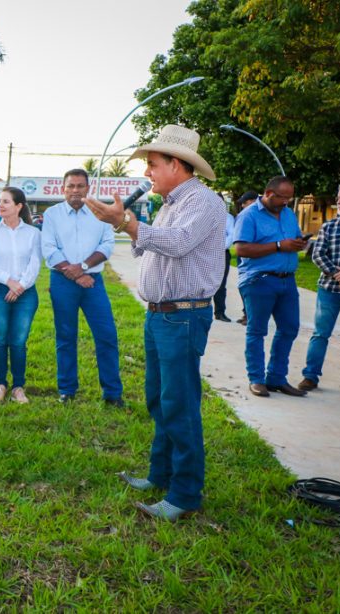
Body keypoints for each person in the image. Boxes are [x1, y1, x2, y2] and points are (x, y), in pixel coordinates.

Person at [85, 124, 226, 522]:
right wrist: (125, 223)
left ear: (177, 165)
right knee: (159, 399)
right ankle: (160, 474)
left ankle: (184, 494)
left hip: (183, 316)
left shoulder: (203, 202)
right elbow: (149, 247)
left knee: (179, 404)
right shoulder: (167, 205)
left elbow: (178, 244)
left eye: (153, 164)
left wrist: (126, 223)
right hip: (160, 315)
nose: (148, 172)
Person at [41, 169, 122, 406]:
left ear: (88, 189)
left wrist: (84, 267)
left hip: (93, 283)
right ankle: (67, 389)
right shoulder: (52, 214)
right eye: (71, 186)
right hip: (63, 282)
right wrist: (75, 275)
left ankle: (112, 393)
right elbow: (49, 248)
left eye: (80, 186)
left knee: (106, 335)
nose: (75, 190)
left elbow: (107, 245)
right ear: (63, 189)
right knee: (66, 336)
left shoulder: (101, 214)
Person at [234, 176, 308, 398]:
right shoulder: (248, 215)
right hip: (259, 280)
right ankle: (256, 379)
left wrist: (299, 243)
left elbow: (292, 239)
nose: (286, 202)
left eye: (289, 198)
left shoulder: (287, 214)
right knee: (257, 330)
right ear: (268, 193)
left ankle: (276, 378)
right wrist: (278, 246)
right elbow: (241, 250)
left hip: (287, 280)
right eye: (282, 197)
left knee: (289, 328)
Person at [0, 187, 41, 404]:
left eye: (5, 201)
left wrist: (20, 286)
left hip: (26, 294)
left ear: (18, 206)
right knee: (0, 339)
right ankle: (0, 384)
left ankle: (18, 387)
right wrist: (10, 282)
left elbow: (34, 265)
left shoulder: (34, 234)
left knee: (18, 341)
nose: (0, 205)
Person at [299, 184, 340, 391]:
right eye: (339, 197)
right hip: (329, 289)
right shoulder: (329, 226)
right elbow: (318, 255)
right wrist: (339, 274)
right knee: (320, 334)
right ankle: (310, 376)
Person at [234, 191, 259, 325]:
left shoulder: (261, 216)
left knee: (252, 287)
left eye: (245, 202)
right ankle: (247, 313)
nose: (243, 205)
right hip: (242, 257)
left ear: (253, 200)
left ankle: (252, 316)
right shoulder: (243, 216)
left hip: (254, 258)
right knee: (243, 286)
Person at [212, 195, 235, 322]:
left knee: (221, 284)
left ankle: (220, 312)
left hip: (222, 254)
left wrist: (218, 248)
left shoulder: (228, 218)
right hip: (204, 254)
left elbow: (231, 235)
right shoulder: (203, 216)